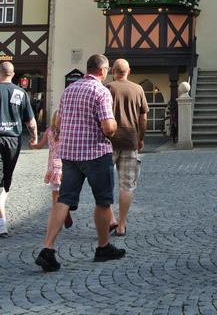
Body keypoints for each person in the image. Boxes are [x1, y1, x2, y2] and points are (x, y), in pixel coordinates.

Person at [35, 54, 125, 272]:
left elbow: (61, 120)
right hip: (95, 153)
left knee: (63, 199)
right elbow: (107, 127)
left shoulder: (69, 90)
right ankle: (103, 247)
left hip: (69, 153)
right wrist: (114, 126)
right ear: (103, 71)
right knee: (103, 201)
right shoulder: (101, 91)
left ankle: (47, 249)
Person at [106, 58, 149, 237]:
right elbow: (143, 118)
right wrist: (140, 138)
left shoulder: (108, 88)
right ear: (128, 71)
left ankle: (110, 219)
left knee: (104, 184)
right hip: (130, 141)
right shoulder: (138, 89)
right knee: (127, 186)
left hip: (108, 142)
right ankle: (122, 224)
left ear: (112, 71)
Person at [0, 60, 37, 237]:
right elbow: (30, 121)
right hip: (13, 141)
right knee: (5, 181)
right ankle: (1, 221)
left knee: (2, 184)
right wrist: (35, 137)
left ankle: (1, 220)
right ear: (13, 74)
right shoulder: (20, 92)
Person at [30, 110, 73, 229]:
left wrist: (33, 144)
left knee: (55, 196)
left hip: (53, 167)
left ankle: (57, 221)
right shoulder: (67, 131)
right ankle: (65, 209)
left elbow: (40, 146)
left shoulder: (49, 131)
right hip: (66, 166)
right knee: (65, 193)